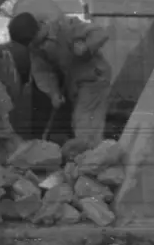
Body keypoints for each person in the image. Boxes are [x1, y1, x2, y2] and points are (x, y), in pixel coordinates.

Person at [7, 10, 112, 147]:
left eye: (36, 41)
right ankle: (88, 156)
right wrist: (54, 93)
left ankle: (91, 160)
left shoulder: (66, 26)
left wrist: (86, 47)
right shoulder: (35, 47)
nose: (36, 46)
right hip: (74, 83)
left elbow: (100, 33)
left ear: (39, 27)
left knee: (85, 123)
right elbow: (42, 72)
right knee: (80, 122)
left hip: (93, 79)